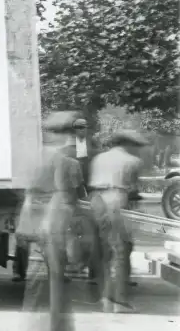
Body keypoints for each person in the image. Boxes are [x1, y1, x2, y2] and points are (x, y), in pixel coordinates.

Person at [18, 111, 86, 331]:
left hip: (36, 231)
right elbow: (64, 197)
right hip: (53, 231)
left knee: (37, 286)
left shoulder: (35, 159)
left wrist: (24, 229)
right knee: (56, 286)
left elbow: (28, 197)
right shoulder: (65, 161)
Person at [88, 129, 147, 313]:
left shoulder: (99, 158)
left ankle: (106, 297)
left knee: (104, 252)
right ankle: (119, 301)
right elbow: (133, 190)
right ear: (127, 143)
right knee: (121, 251)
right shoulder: (133, 161)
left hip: (96, 200)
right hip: (117, 200)